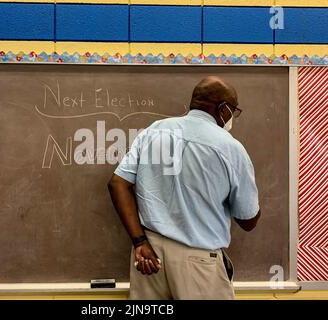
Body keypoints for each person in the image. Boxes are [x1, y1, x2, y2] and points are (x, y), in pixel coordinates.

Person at [107, 76, 261, 300]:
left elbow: (117, 183)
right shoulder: (229, 147)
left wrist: (139, 241)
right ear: (223, 108)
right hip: (199, 264)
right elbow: (248, 220)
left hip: (150, 257)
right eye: (233, 111)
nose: (231, 117)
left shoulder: (154, 131)